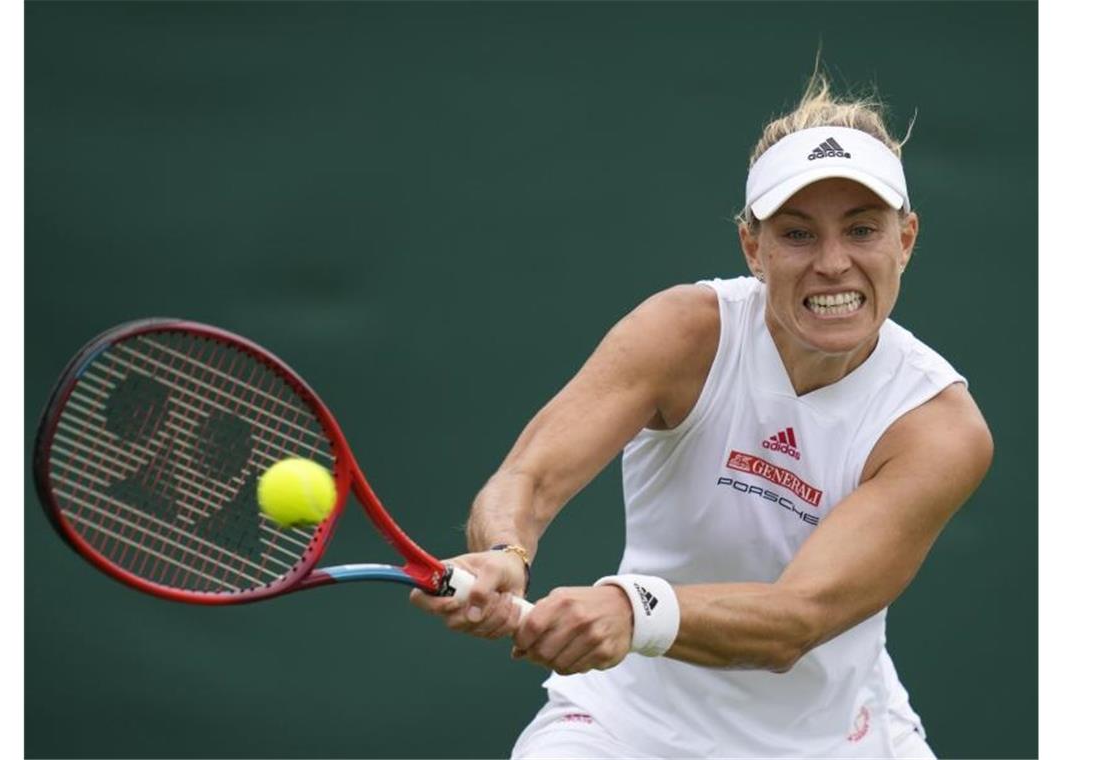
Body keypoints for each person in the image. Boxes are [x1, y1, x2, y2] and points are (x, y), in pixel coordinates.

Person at [411, 70, 993, 759]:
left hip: (836, 741)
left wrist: (633, 610)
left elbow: (795, 620)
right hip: (625, 724)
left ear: (905, 239)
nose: (834, 263)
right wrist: (505, 550)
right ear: (754, 247)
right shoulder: (685, 333)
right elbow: (529, 478)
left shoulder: (936, 427)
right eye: (798, 234)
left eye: (862, 229)